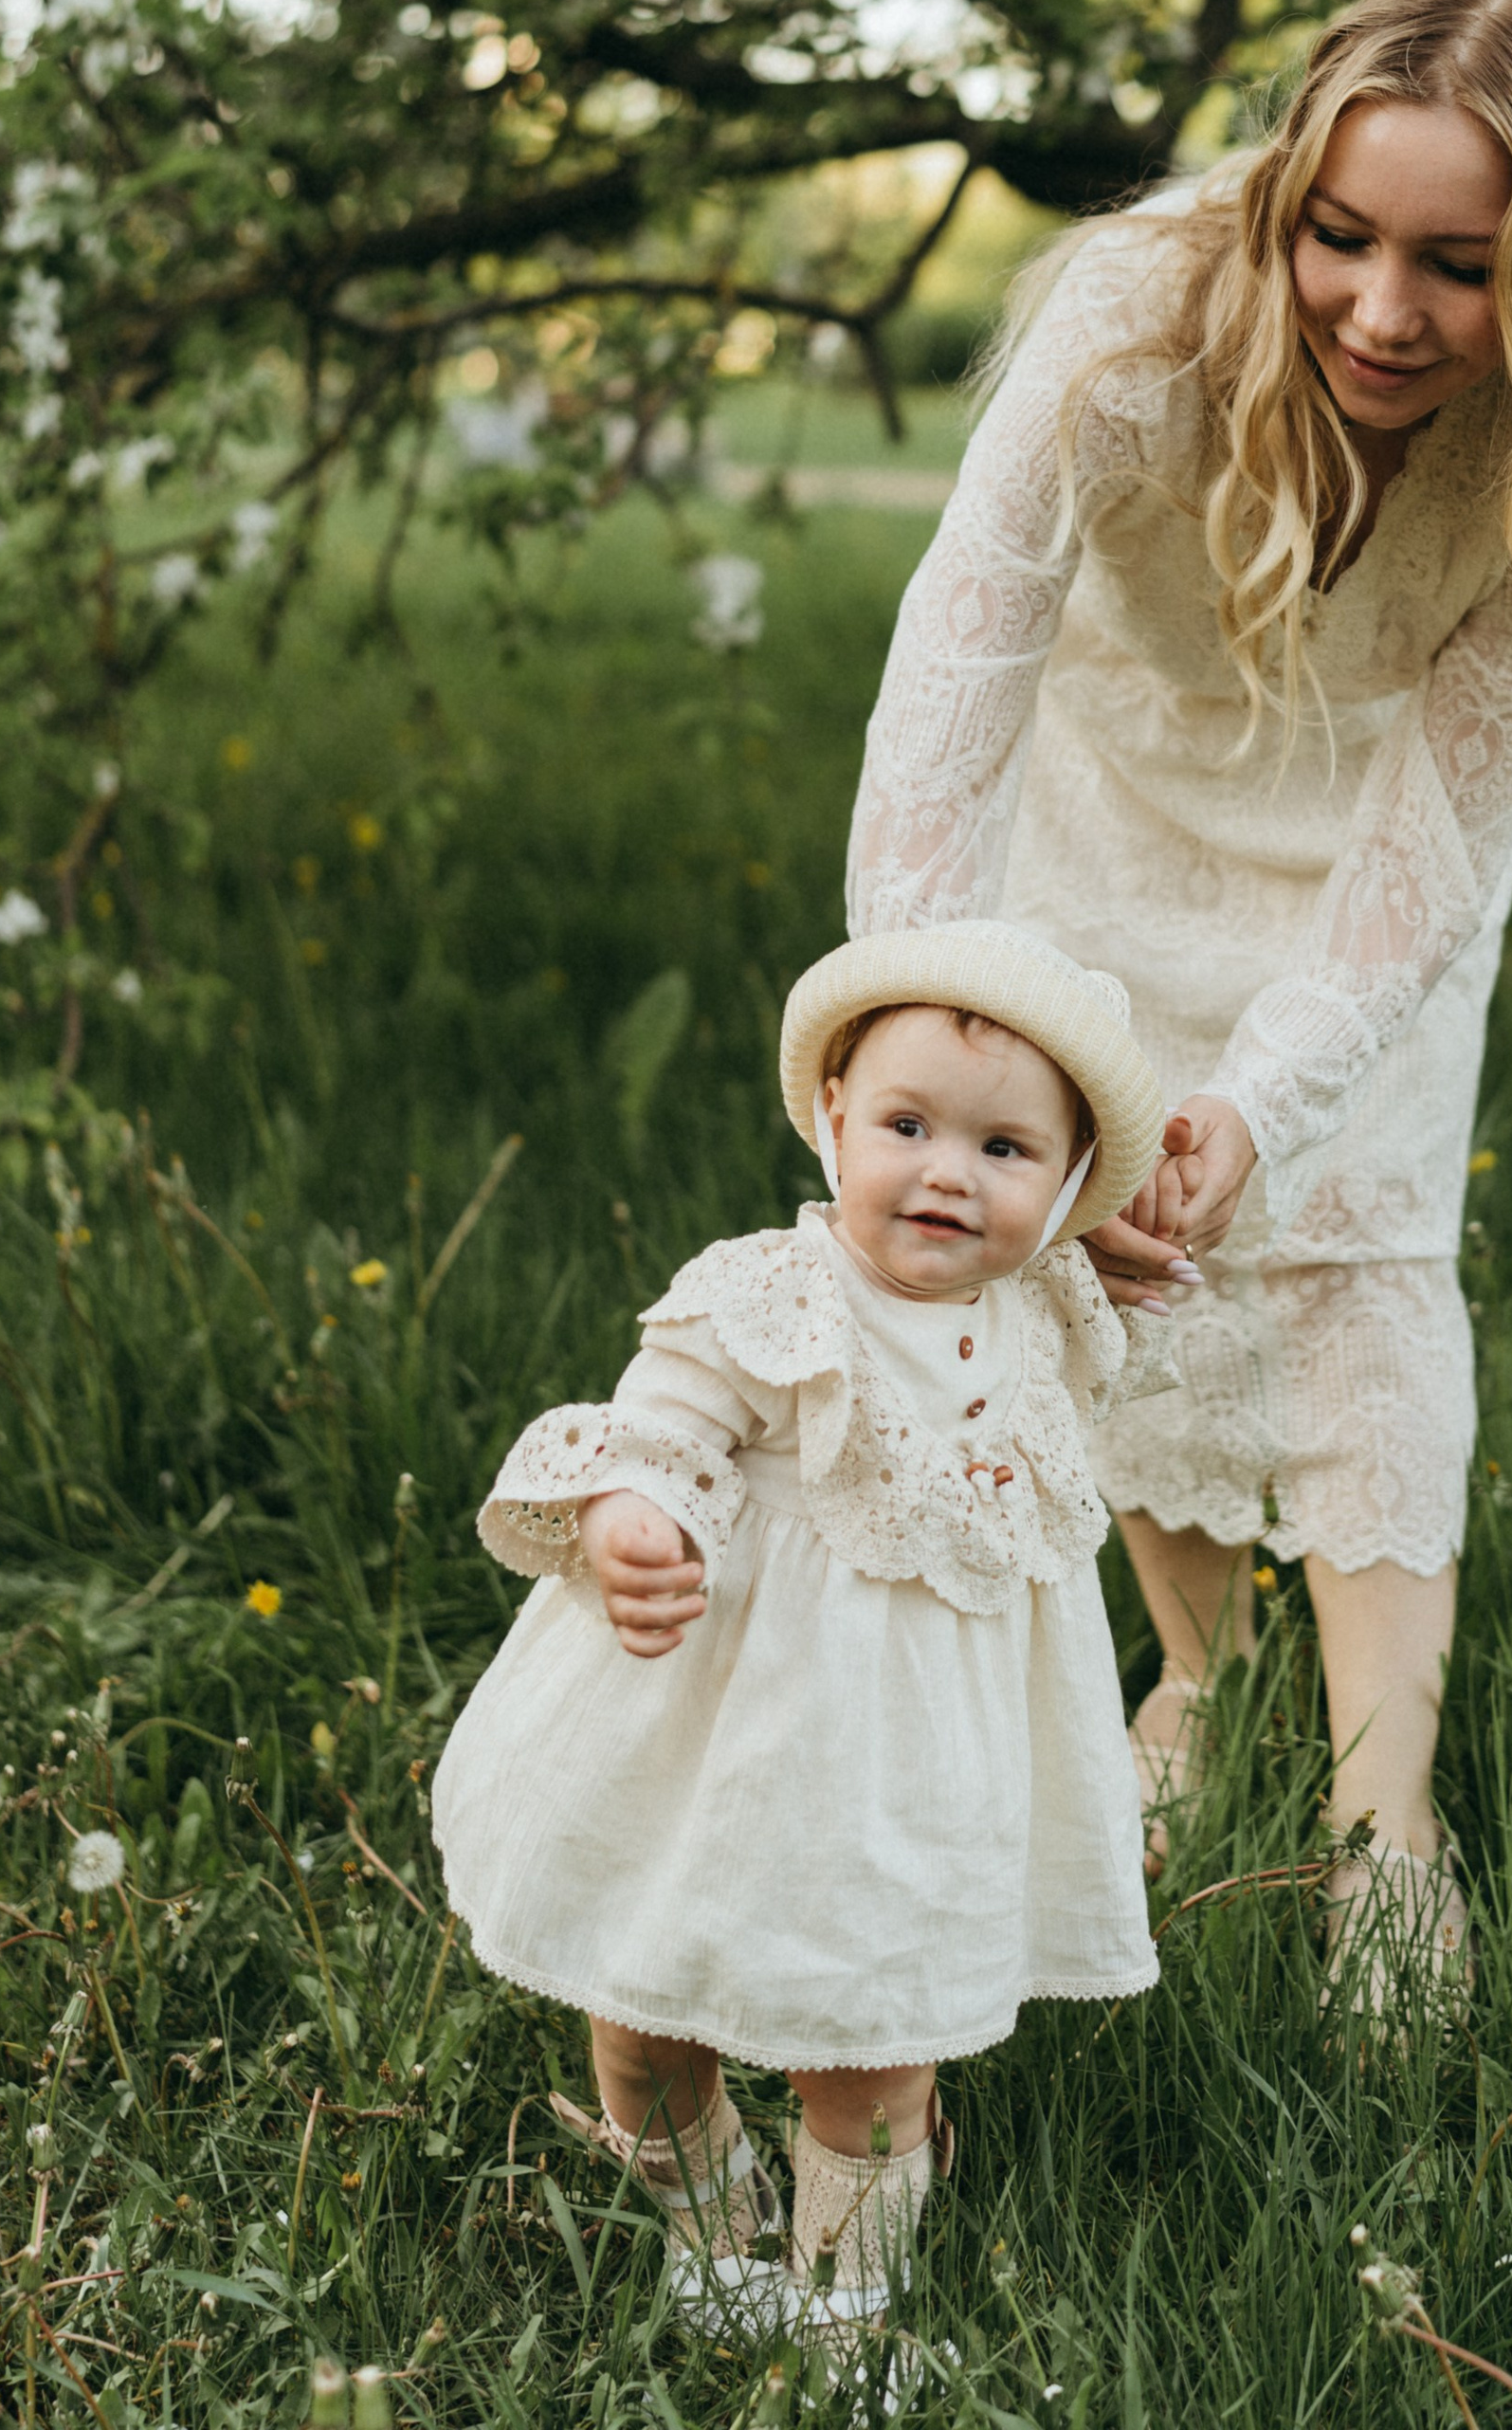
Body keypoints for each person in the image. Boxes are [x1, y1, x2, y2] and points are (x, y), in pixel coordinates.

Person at [846, 0, 1512, 2010]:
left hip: (1360, 891)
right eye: (1341, 238)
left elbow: (1437, 847)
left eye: (1459, 267)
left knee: (1362, 1273)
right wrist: (927, 1019)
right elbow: (952, 686)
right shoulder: (1128, 336)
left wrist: (1264, 1102)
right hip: (1102, 831)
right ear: (1283, 201)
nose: (1384, 312)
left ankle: (1384, 1822)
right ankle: (1201, 1679)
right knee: (1127, 1287)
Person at [431, 920, 1167, 2325]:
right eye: (907, 1124)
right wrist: (630, 1519)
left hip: (917, 1766)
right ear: (834, 1117)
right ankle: (706, 2233)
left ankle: (844, 2303)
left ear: (1068, 1183)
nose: (949, 1171)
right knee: (644, 2001)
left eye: (1006, 1151)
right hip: (719, 1718)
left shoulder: (1046, 1313)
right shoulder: (774, 1295)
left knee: (877, 2048)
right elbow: (658, 1429)